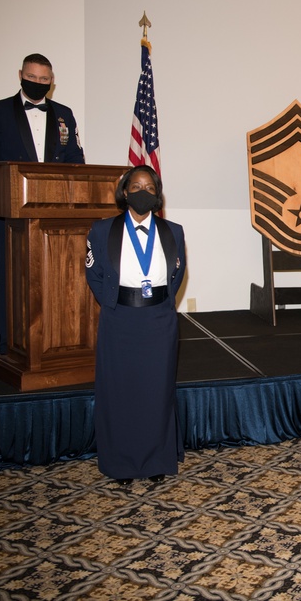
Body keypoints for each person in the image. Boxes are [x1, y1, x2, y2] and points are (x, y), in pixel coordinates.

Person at [0, 53, 85, 354]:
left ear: (52, 81)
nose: (38, 83)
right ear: (20, 75)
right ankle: (6, 344)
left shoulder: (65, 114)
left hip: (54, 213)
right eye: (32, 77)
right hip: (11, 213)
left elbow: (75, 158)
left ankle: (54, 341)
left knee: (56, 279)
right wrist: (8, 191)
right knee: (11, 280)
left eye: (44, 79)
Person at [84, 165, 186, 485]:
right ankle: (121, 464)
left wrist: (162, 307)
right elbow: (94, 274)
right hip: (120, 320)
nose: (143, 191)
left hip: (159, 320)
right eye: (136, 186)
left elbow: (177, 275)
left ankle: (156, 459)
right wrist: (116, 306)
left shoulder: (174, 231)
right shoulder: (102, 230)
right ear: (124, 191)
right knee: (121, 392)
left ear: (157, 195)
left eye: (150, 187)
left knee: (157, 391)